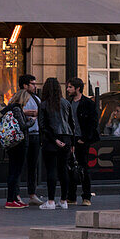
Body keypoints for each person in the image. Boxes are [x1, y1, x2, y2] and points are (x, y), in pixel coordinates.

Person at [37, 77, 75, 210]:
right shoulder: (66, 103)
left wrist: (54, 140)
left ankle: (51, 201)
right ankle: (64, 200)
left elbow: (43, 126)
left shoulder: (44, 105)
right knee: (63, 169)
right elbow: (72, 124)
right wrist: (72, 142)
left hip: (51, 140)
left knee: (51, 170)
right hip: (66, 138)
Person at [64, 77, 97, 207]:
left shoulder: (87, 103)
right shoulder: (68, 103)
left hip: (82, 140)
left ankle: (86, 196)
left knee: (83, 168)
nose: (68, 89)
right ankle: (71, 196)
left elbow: (93, 122)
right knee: (71, 168)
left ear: (77, 88)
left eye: (70, 87)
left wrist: (84, 138)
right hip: (71, 140)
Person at [0, 90, 33, 209]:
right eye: (27, 99)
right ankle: (11, 199)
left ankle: (14, 198)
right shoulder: (17, 109)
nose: (28, 101)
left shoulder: (10, 109)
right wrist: (31, 122)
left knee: (14, 171)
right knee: (15, 172)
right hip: (18, 144)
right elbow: (22, 126)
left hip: (12, 144)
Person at [17, 74, 43, 206]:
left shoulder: (36, 98)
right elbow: (16, 111)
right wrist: (32, 113)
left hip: (36, 134)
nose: (35, 86)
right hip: (23, 134)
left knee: (33, 166)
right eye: (32, 84)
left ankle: (32, 193)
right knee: (20, 166)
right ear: (25, 85)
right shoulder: (19, 97)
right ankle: (16, 194)